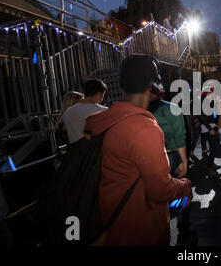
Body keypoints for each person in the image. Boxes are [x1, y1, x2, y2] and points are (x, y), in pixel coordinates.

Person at [84, 54, 192, 246]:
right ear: (152, 84)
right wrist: (184, 186)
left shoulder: (106, 120)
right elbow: (160, 189)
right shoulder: (143, 128)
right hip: (143, 229)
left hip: (115, 224)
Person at [148, 92, 198, 246]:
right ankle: (183, 231)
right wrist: (184, 160)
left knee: (157, 196)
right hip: (173, 155)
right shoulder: (172, 108)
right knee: (183, 192)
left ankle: (162, 232)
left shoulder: (141, 111)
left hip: (152, 159)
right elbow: (180, 137)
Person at [62, 79, 107, 143]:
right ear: (99, 94)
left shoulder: (68, 112)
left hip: (76, 150)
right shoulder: (103, 111)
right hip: (97, 151)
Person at [197, 88, 221, 178]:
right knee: (214, 146)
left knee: (213, 147)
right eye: (211, 92)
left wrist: (216, 123)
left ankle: (211, 164)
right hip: (207, 127)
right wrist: (210, 128)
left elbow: (215, 114)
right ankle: (210, 168)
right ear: (207, 93)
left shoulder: (211, 101)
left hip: (211, 126)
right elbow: (201, 116)